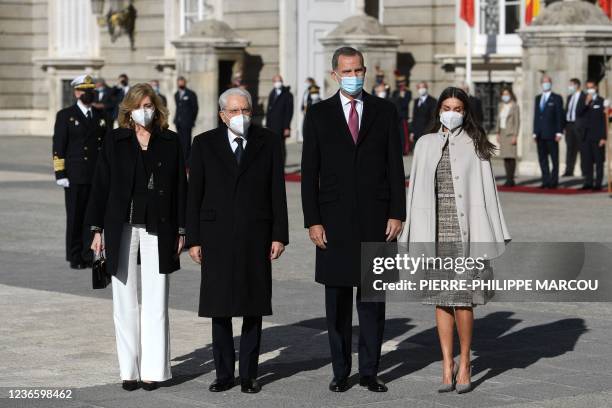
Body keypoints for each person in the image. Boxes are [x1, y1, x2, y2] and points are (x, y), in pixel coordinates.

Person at [301, 46, 406, 393]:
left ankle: (370, 372)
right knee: (338, 302)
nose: (353, 76)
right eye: (346, 71)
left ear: (366, 70)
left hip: (377, 219)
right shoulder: (318, 115)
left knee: (373, 301)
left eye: (358, 70)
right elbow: (309, 172)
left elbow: (395, 165)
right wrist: (313, 221)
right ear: (335, 75)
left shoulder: (385, 111)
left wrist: (397, 212)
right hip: (333, 221)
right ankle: (341, 370)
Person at [399, 86, 510, 394]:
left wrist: (493, 233)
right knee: (440, 298)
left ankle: (465, 363)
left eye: (458, 108)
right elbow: (415, 191)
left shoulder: (476, 144)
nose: (452, 112)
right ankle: (446, 363)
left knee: (463, 300)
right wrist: (412, 232)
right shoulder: (424, 143)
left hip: (466, 233)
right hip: (434, 232)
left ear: (465, 112)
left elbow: (488, 193)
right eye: (447, 107)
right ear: (439, 110)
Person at [186, 87, 289, 394]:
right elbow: (195, 196)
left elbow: (277, 191)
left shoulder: (267, 141)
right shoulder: (203, 144)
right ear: (222, 115)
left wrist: (279, 235)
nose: (241, 116)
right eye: (234, 111)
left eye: (245, 110)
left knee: (252, 305)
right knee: (219, 307)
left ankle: (249, 374)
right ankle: (222, 373)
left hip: (256, 235)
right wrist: (193, 238)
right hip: (215, 236)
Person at [86, 83, 187, 392]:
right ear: (128, 110)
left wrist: (182, 230)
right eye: (141, 105)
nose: (147, 110)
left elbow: (182, 189)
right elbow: (100, 185)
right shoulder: (114, 141)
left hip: (159, 224)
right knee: (124, 299)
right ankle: (129, 369)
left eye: (151, 104)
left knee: (157, 299)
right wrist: (96, 230)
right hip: (121, 225)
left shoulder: (170, 140)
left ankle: (154, 370)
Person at [53, 74, 109, 269]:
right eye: (85, 91)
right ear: (77, 92)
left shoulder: (101, 116)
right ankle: (75, 256)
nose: (88, 94)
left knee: (91, 217)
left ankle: (88, 254)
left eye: (91, 91)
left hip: (94, 175)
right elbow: (59, 146)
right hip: (75, 175)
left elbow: (106, 146)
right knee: (75, 217)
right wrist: (60, 174)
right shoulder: (65, 115)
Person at [533, 75, 564, 189]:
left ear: (551, 83)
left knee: (554, 159)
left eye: (547, 82)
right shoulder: (538, 98)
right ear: (541, 84)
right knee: (542, 159)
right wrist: (534, 132)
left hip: (552, 134)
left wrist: (559, 132)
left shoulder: (556, 98)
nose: (545, 84)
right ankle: (545, 181)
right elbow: (536, 116)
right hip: (540, 134)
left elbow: (559, 116)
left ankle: (554, 181)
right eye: (543, 82)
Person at [576, 80, 607, 191]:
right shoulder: (583, 100)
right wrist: (586, 103)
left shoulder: (602, 101)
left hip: (597, 136)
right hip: (585, 135)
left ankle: (598, 184)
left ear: (596, 88)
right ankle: (588, 182)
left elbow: (605, 121)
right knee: (587, 160)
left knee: (598, 161)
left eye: (592, 87)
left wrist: (604, 137)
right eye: (588, 87)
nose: (590, 90)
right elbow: (578, 113)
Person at [265, 74, 294, 167]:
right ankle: (273, 164)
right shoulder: (272, 93)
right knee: (271, 146)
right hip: (271, 126)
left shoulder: (288, 94)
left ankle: (281, 166)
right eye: (276, 81)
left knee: (281, 147)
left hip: (281, 126)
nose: (278, 83)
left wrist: (287, 127)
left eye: (280, 80)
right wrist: (267, 125)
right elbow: (269, 111)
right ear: (273, 82)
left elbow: (289, 112)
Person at [495, 87, 521, 186]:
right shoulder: (500, 105)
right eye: (503, 94)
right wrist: (497, 132)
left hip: (510, 133)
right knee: (505, 157)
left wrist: (515, 135)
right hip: (502, 133)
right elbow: (498, 119)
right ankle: (507, 178)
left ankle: (511, 179)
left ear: (510, 95)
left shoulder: (515, 106)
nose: (505, 96)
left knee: (511, 156)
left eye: (507, 94)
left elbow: (517, 121)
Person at [173, 76, 199, 163]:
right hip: (178, 122)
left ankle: (187, 161)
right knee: (179, 141)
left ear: (185, 82)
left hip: (187, 122)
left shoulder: (191, 94)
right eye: (179, 82)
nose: (180, 83)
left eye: (182, 81)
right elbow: (178, 108)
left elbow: (195, 108)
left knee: (187, 142)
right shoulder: (176, 94)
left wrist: (191, 119)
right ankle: (181, 159)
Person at [563, 78, 583, 177]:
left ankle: (585, 170)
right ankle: (568, 170)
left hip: (579, 125)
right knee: (570, 148)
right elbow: (566, 111)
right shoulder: (569, 97)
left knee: (582, 149)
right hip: (569, 125)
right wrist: (564, 126)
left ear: (577, 85)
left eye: (571, 85)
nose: (570, 87)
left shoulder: (583, 97)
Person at [391, 73, 412, 155]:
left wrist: (402, 97)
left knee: (404, 134)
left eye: (402, 82)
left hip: (403, 116)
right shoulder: (395, 92)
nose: (401, 84)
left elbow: (405, 104)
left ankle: (405, 150)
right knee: (396, 134)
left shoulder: (408, 92)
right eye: (399, 82)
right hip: (395, 116)